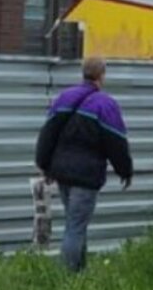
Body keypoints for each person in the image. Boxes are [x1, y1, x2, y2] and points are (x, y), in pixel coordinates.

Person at [34, 56, 133, 271]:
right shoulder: (105, 104)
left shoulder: (64, 98)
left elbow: (47, 134)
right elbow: (116, 142)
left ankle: (80, 272)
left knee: (76, 223)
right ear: (102, 75)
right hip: (86, 176)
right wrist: (125, 171)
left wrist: (43, 164)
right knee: (76, 227)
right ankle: (67, 278)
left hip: (62, 172)